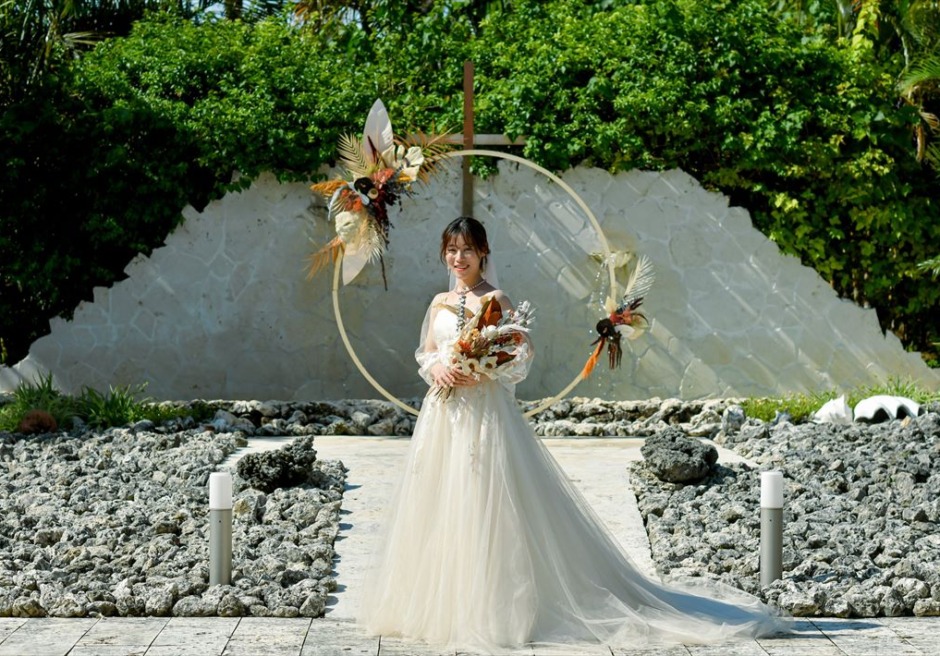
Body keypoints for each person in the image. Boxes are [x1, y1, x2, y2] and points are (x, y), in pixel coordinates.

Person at [358, 216, 788, 652]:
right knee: (440, 500)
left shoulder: (499, 300)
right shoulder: (438, 303)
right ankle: (437, 605)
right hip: (444, 415)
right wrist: (440, 368)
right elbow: (426, 352)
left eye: (467, 249)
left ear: (483, 252)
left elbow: (518, 357)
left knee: (485, 499)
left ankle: (494, 607)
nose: (459, 258)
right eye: (452, 250)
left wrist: (484, 367)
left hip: (485, 414)